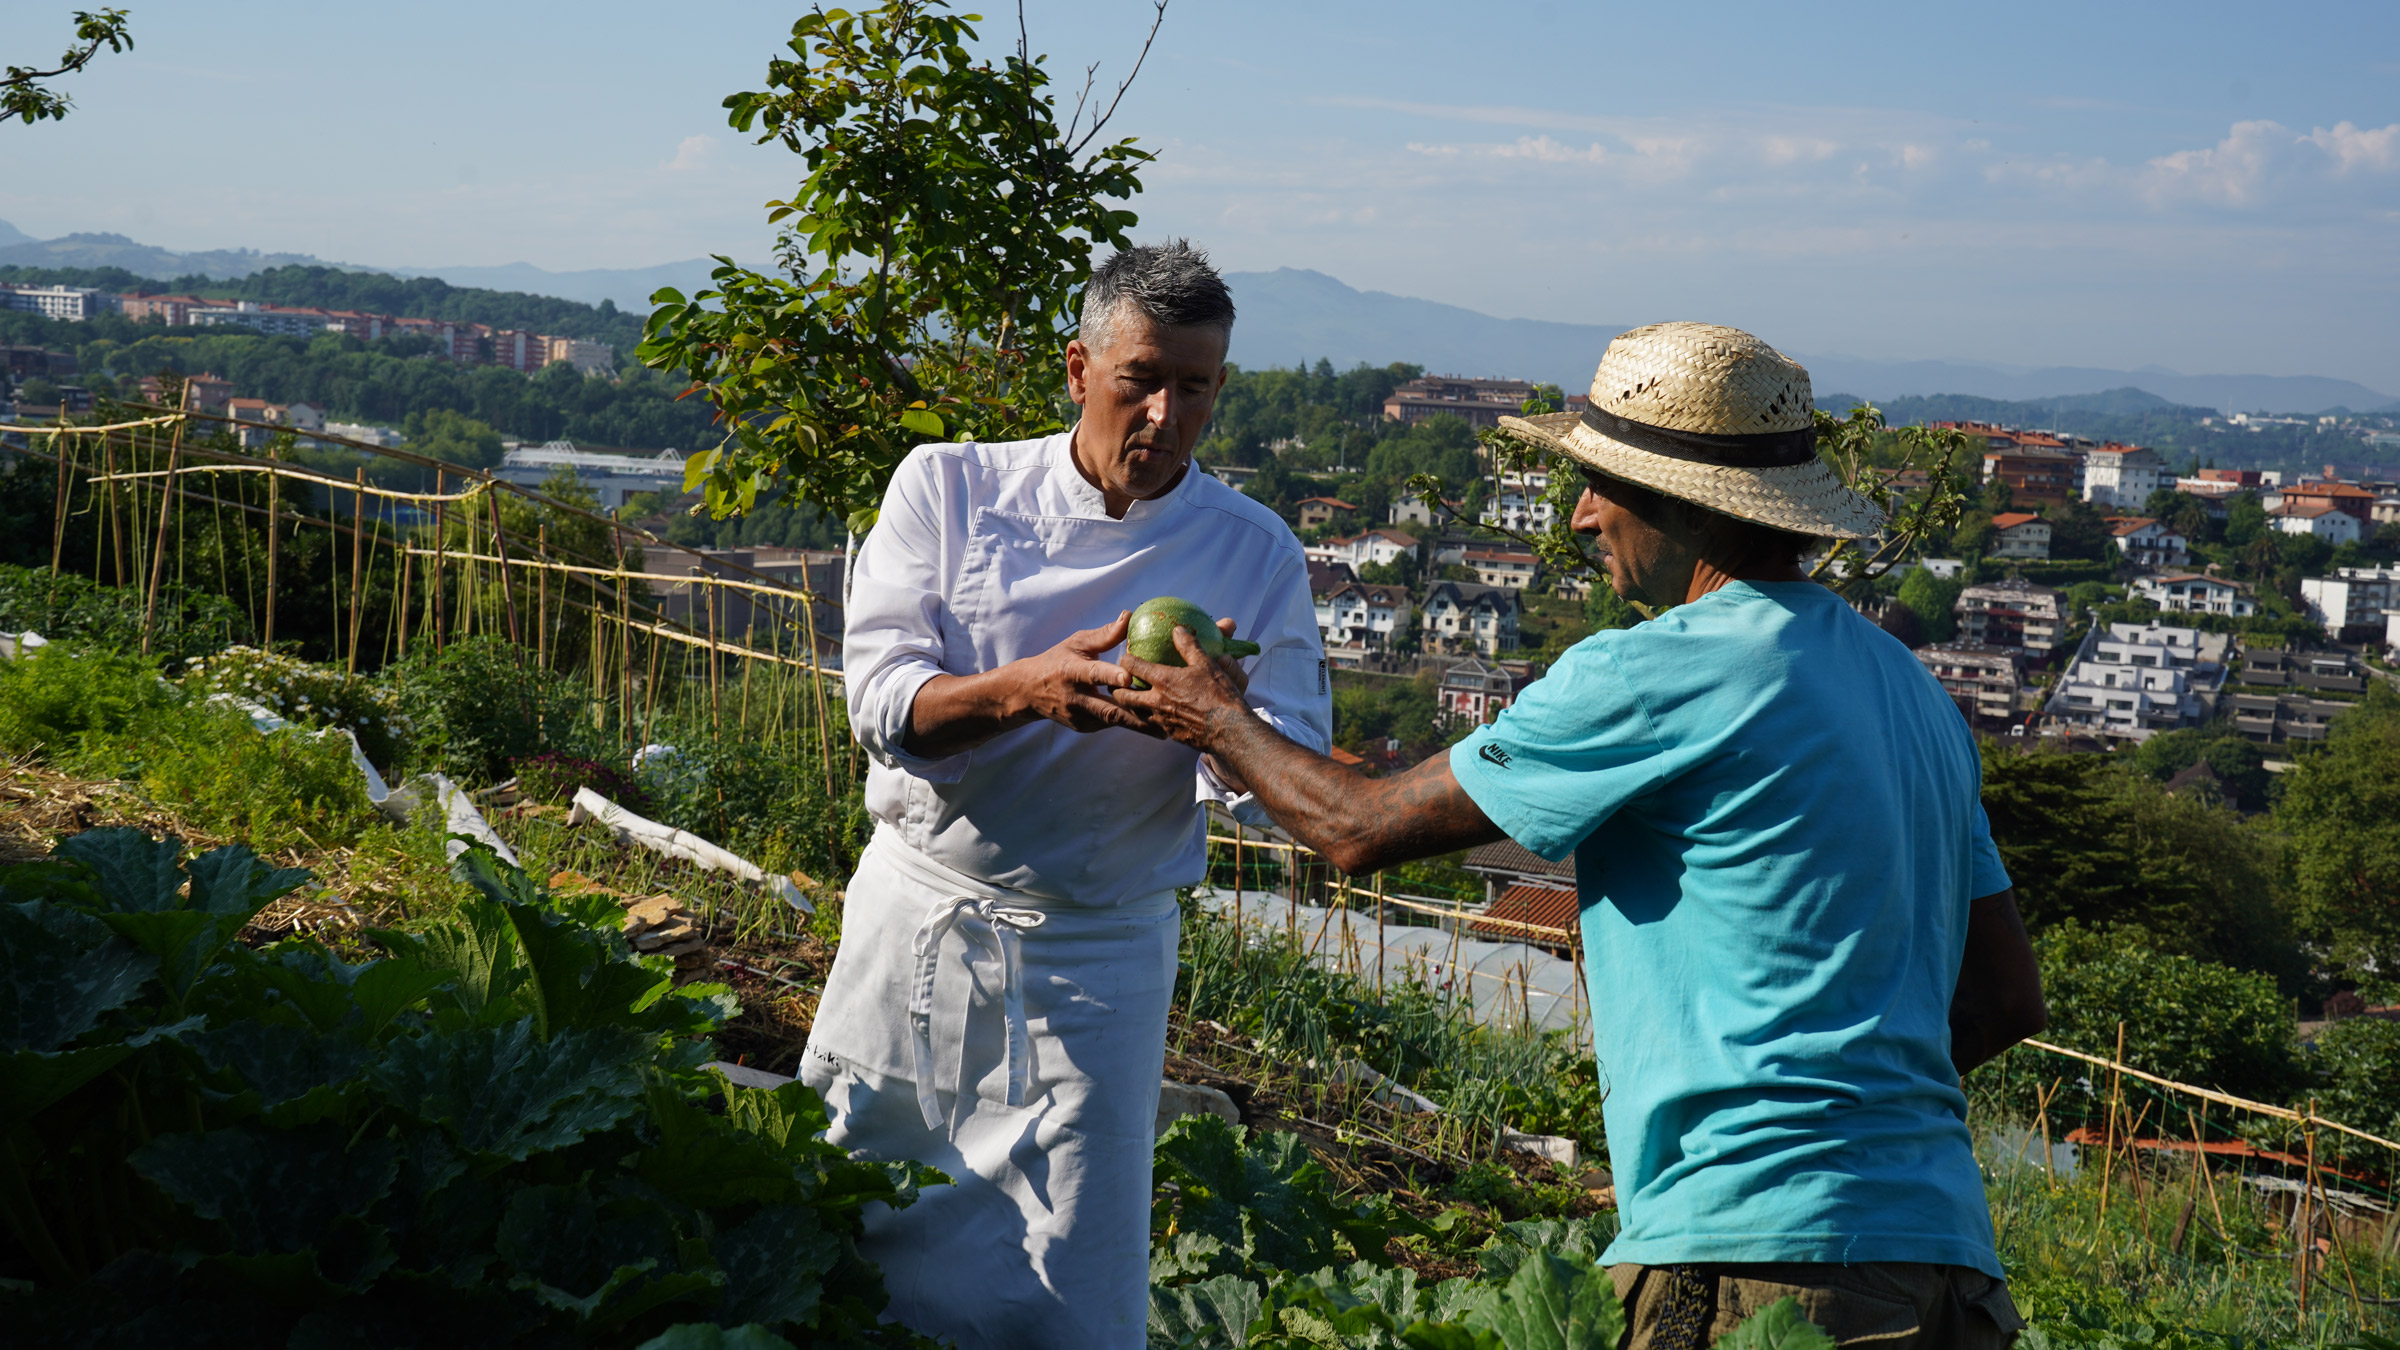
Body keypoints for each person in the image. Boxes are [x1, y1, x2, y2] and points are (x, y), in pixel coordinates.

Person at [1118, 322, 2048, 1349]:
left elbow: (1356, 828)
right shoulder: (1912, 693)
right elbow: (2006, 998)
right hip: (1948, 1263)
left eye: (1601, 482)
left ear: (1683, 502)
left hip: (1761, 1268)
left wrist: (1213, 717)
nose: (1581, 513)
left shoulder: (1658, 671)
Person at [800, 240, 1331, 1350]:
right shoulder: (949, 489)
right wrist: (1027, 691)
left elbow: (1276, 775)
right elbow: (883, 701)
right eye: (1142, 378)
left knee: (1068, 1285)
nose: (1166, 414)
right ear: (1079, 368)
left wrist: (1218, 720)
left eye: (1196, 387)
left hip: (1096, 958)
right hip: (919, 924)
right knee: (847, 1218)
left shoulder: (1254, 554)